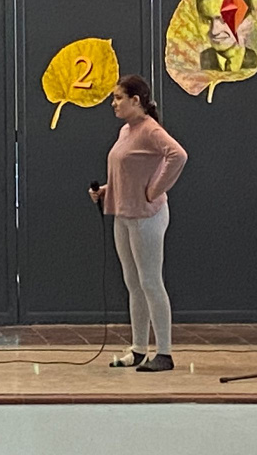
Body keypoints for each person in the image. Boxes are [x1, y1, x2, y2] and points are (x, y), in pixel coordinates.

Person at [89, 75, 187, 372]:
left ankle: (165, 353)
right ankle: (139, 349)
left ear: (136, 100)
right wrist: (107, 190)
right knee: (133, 284)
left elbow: (178, 155)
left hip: (147, 216)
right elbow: (129, 171)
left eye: (118, 97)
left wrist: (154, 190)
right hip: (123, 214)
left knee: (150, 282)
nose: (113, 103)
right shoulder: (125, 131)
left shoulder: (150, 129)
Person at [195, 0, 257, 72]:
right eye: (207, 20)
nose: (215, 31)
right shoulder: (197, 63)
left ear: (247, 21)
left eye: (225, 19)